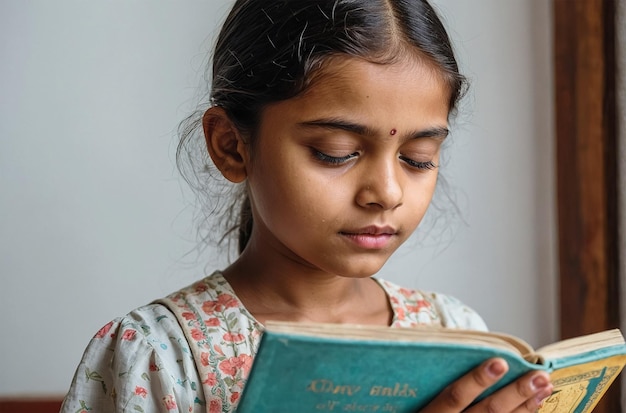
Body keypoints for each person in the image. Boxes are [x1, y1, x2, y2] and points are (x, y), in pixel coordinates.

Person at [61, 0, 553, 412]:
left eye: (417, 158)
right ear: (232, 145)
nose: (387, 192)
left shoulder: (458, 337)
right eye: (335, 153)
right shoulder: (159, 356)